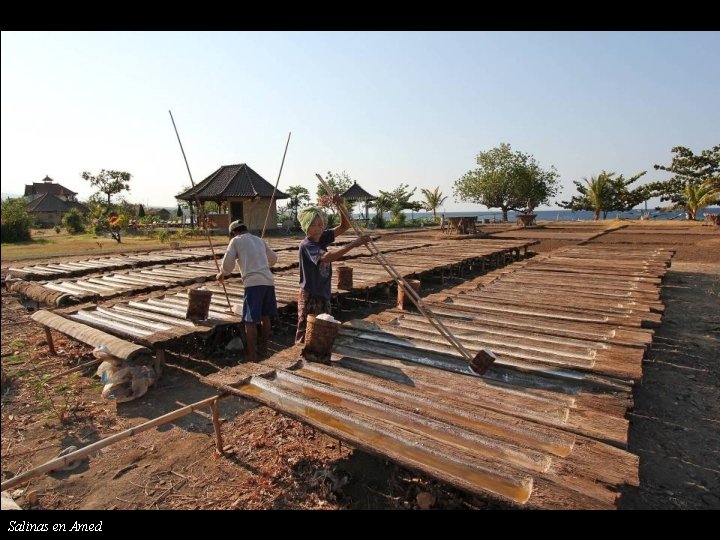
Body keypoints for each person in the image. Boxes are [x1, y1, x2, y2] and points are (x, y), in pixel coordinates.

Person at [295, 200, 370, 344]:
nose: (319, 228)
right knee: (306, 329)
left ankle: (318, 353)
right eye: (314, 225)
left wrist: (339, 205)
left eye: (320, 224)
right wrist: (354, 244)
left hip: (323, 292)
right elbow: (327, 258)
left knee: (323, 326)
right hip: (311, 294)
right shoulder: (307, 245)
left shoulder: (321, 238)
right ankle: (299, 354)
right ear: (306, 228)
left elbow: (344, 226)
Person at [217, 221, 278, 363]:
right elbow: (274, 259)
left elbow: (227, 266)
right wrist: (260, 263)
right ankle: (264, 348)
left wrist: (222, 273)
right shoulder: (259, 240)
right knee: (265, 316)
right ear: (245, 229)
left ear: (233, 233)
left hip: (253, 284)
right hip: (268, 282)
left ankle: (252, 357)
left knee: (249, 321)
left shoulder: (235, 241)